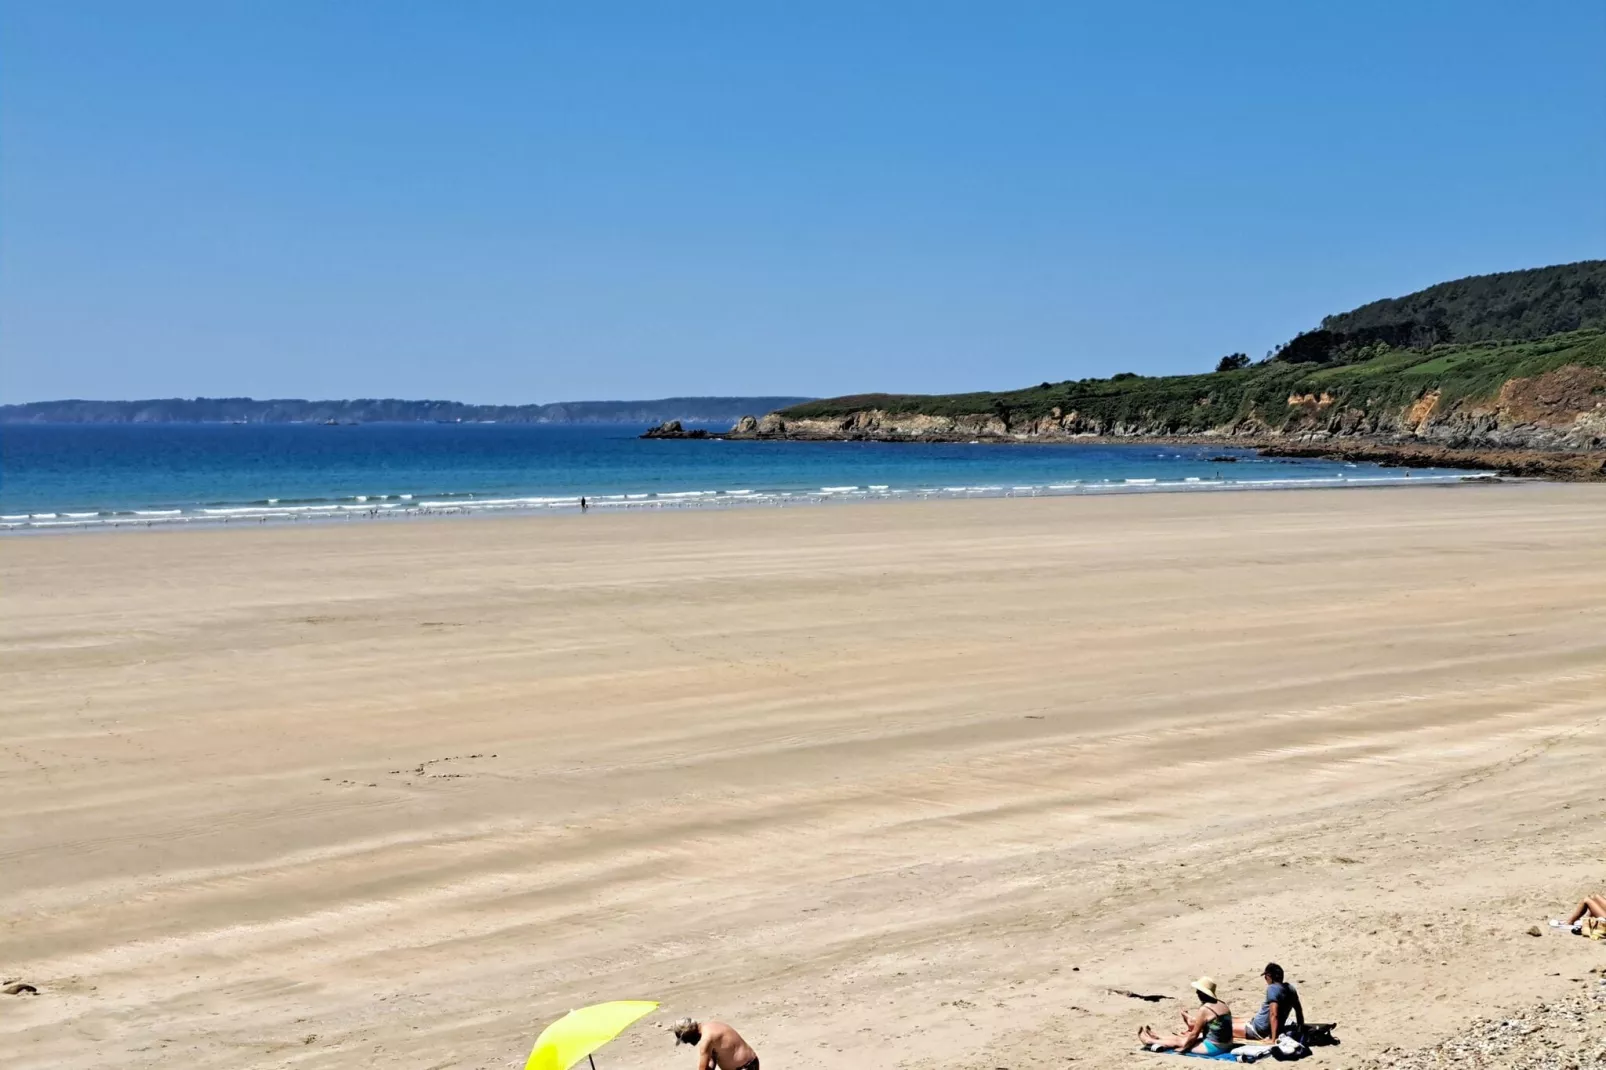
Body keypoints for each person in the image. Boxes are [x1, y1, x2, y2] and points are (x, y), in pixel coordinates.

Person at [1138, 977, 1234, 1055]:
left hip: (1215, 1047)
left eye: (1199, 991)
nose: (1196, 993)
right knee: (1184, 1037)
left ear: (1204, 993)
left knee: (1180, 1040)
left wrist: (1183, 1049)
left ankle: (1148, 1041)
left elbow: (1194, 1034)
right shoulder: (1223, 1004)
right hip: (1227, 1043)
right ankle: (1158, 1037)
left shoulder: (1205, 1009)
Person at [1235, 962, 1304, 1043]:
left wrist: (1273, 1039)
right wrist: (1300, 1029)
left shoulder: (1272, 989)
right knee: (1232, 1020)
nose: (1265, 979)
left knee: (1225, 1027)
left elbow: (1274, 1014)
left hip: (1258, 1030)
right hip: (1259, 1024)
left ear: (1269, 977)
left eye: (1265, 976)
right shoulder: (1290, 988)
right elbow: (1299, 1011)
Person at [671, 1017, 759, 1070]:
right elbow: (713, 1058)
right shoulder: (711, 1025)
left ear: (689, 1033)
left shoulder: (706, 1041)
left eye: (685, 1039)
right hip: (751, 1062)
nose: (687, 1042)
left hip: (744, 1067)